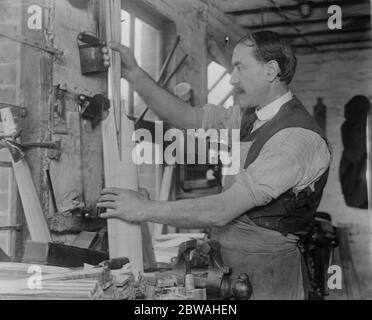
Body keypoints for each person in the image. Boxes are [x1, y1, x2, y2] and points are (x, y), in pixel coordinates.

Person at [98, 31, 331, 299]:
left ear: (270, 70)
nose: (232, 79)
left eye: (240, 68)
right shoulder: (250, 117)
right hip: (229, 269)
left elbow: (222, 210)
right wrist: (134, 74)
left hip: (269, 279)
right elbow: (187, 117)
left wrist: (143, 209)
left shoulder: (295, 138)